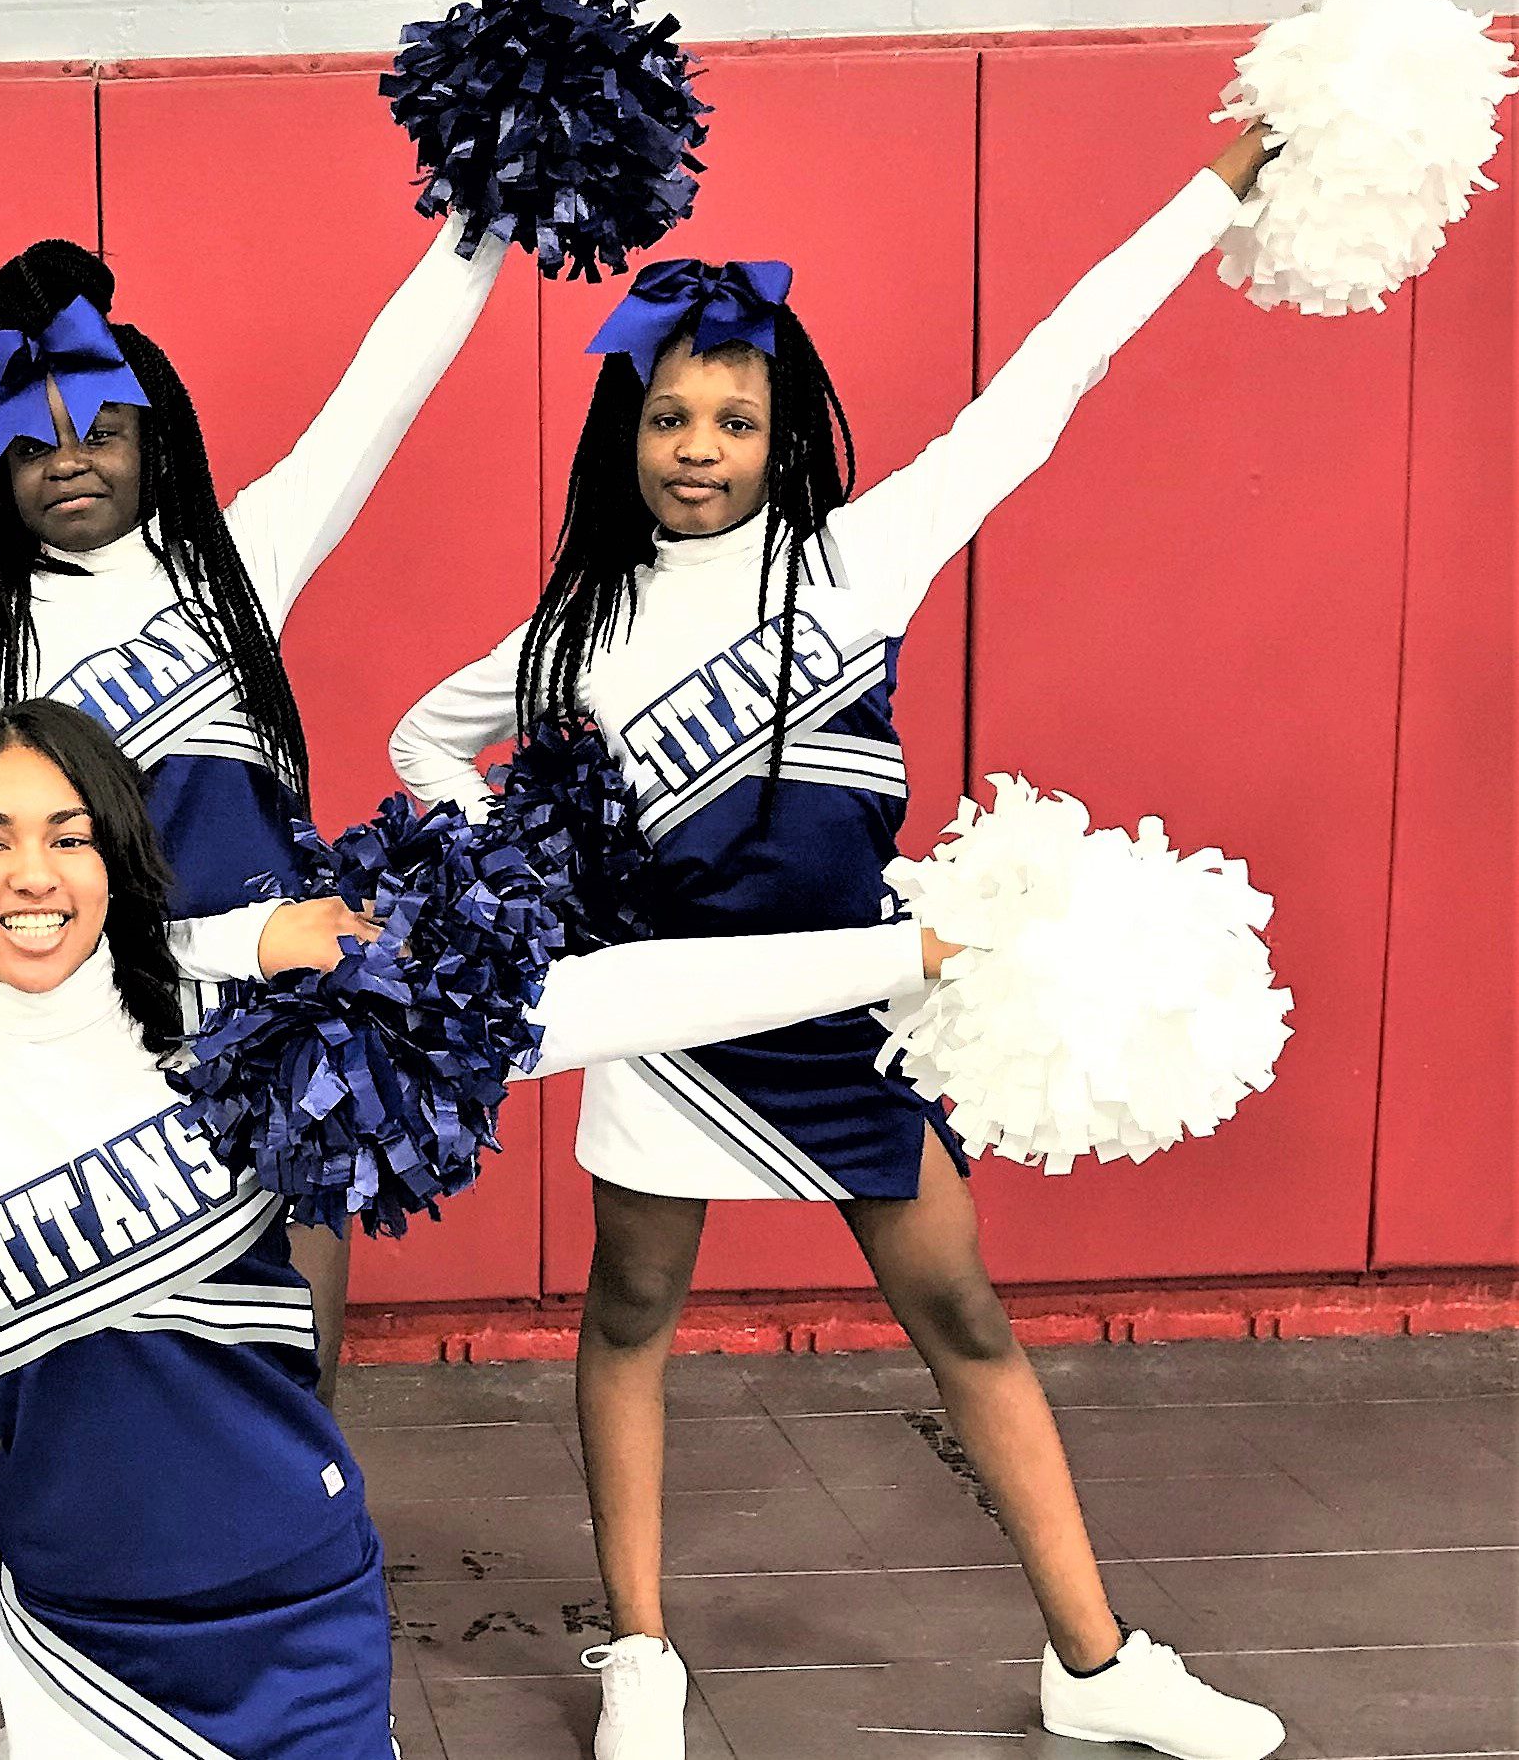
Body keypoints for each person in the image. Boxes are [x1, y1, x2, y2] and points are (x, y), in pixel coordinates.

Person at [0, 698, 956, 1757]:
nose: (29, 874)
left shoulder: (239, 1017)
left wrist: (909, 949)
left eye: (64, 836)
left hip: (291, 1603)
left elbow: (586, 1005)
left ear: (114, 855)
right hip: (72, 1641)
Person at [386, 125, 1285, 1760]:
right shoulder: (573, 633)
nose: (699, 446)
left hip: (853, 1003)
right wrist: (513, 873)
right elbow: (419, 738)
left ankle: (1090, 1660)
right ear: (624, 429)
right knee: (629, 1310)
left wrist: (1203, 195)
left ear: (780, 428)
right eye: (668, 416)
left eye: (733, 417)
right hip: (671, 1021)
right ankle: (641, 1650)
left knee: (960, 1314)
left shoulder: (857, 558)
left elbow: (1045, 375)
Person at [0, 219, 512, 1388]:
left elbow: (377, 394)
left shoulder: (231, 566)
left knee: (295, 1350)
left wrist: (477, 227)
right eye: (32, 443)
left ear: (156, 439)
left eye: (101, 430)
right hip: (97, 1014)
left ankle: (292, 1526)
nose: (69, 459)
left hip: (276, 1005)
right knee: (129, 1350)